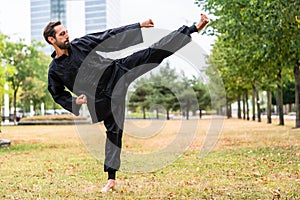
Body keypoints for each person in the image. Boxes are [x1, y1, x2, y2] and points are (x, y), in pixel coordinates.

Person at [43, 13, 209, 193]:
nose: (66, 35)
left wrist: (138, 26)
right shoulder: (55, 71)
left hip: (117, 72)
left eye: (66, 32)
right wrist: (75, 101)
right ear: (52, 39)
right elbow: (56, 92)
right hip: (102, 98)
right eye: (61, 34)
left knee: (151, 53)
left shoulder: (80, 44)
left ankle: (193, 28)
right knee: (114, 133)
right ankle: (111, 180)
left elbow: (108, 36)